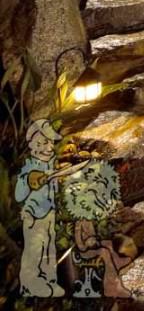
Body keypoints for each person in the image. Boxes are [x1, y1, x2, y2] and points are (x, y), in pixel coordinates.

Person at [14, 119, 64, 298]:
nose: (50, 146)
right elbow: (19, 194)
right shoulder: (28, 168)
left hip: (48, 212)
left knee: (49, 248)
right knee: (34, 251)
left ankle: (50, 282)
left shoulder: (48, 165)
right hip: (33, 216)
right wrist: (29, 182)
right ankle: (30, 285)